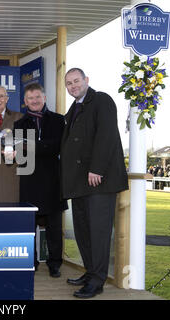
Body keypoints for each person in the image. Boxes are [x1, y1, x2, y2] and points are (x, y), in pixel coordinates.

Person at [61, 68, 128, 298]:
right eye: (69, 83)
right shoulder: (74, 108)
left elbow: (107, 136)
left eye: (76, 81)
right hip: (79, 183)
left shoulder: (102, 100)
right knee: (83, 231)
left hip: (98, 180)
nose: (73, 86)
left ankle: (97, 281)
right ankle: (91, 272)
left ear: (86, 80)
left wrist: (97, 169)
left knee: (98, 233)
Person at [13, 83, 67, 278]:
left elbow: (57, 147)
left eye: (37, 97)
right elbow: (20, 154)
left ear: (44, 98)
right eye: (30, 98)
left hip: (53, 180)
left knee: (54, 226)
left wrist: (31, 145)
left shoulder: (59, 120)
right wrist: (17, 152)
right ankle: (31, 261)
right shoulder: (19, 124)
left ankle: (55, 264)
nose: (34, 101)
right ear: (25, 101)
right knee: (29, 226)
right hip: (29, 181)